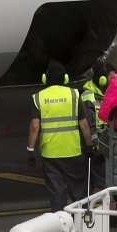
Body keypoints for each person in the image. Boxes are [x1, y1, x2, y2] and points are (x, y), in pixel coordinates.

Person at [28, 62, 93, 211]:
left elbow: (34, 127)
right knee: (78, 190)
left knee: (56, 191)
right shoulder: (74, 94)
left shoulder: (38, 97)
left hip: (50, 154)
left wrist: (30, 150)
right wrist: (89, 146)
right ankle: (83, 222)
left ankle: (60, 226)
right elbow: (84, 124)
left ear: (45, 79)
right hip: (73, 151)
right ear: (65, 79)